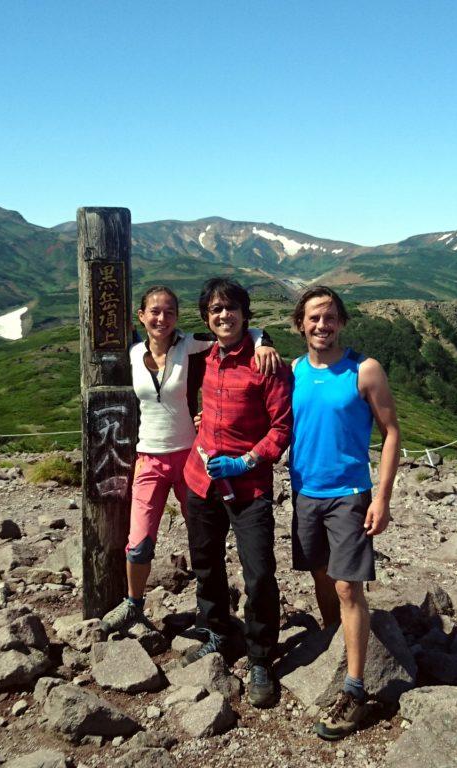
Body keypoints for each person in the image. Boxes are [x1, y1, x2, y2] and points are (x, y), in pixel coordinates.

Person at [100, 285, 280, 634]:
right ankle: (134, 604)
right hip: (148, 457)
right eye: (154, 311)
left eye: (169, 311)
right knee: (139, 541)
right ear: (141, 315)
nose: (161, 318)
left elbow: (232, 333)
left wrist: (263, 340)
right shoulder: (134, 353)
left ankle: (211, 617)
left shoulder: (190, 345)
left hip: (190, 457)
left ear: (178, 317)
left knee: (203, 542)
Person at [287, 286, 400, 740]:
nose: (322, 325)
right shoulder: (292, 370)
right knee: (319, 572)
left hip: (350, 493)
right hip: (304, 493)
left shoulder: (364, 370)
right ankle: (337, 639)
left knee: (348, 586)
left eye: (330, 317)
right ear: (300, 324)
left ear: (341, 322)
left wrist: (382, 498)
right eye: (314, 317)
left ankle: (355, 690)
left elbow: (392, 432)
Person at [181, 277, 293, 709]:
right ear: (206, 319)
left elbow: (281, 428)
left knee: (259, 572)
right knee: (206, 562)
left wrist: (246, 461)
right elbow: (155, 341)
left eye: (230, 308)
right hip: (200, 479)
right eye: (214, 310)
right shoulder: (206, 357)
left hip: (247, 487)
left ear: (245, 314)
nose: (222, 316)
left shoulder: (268, 364)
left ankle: (261, 655)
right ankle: (218, 633)